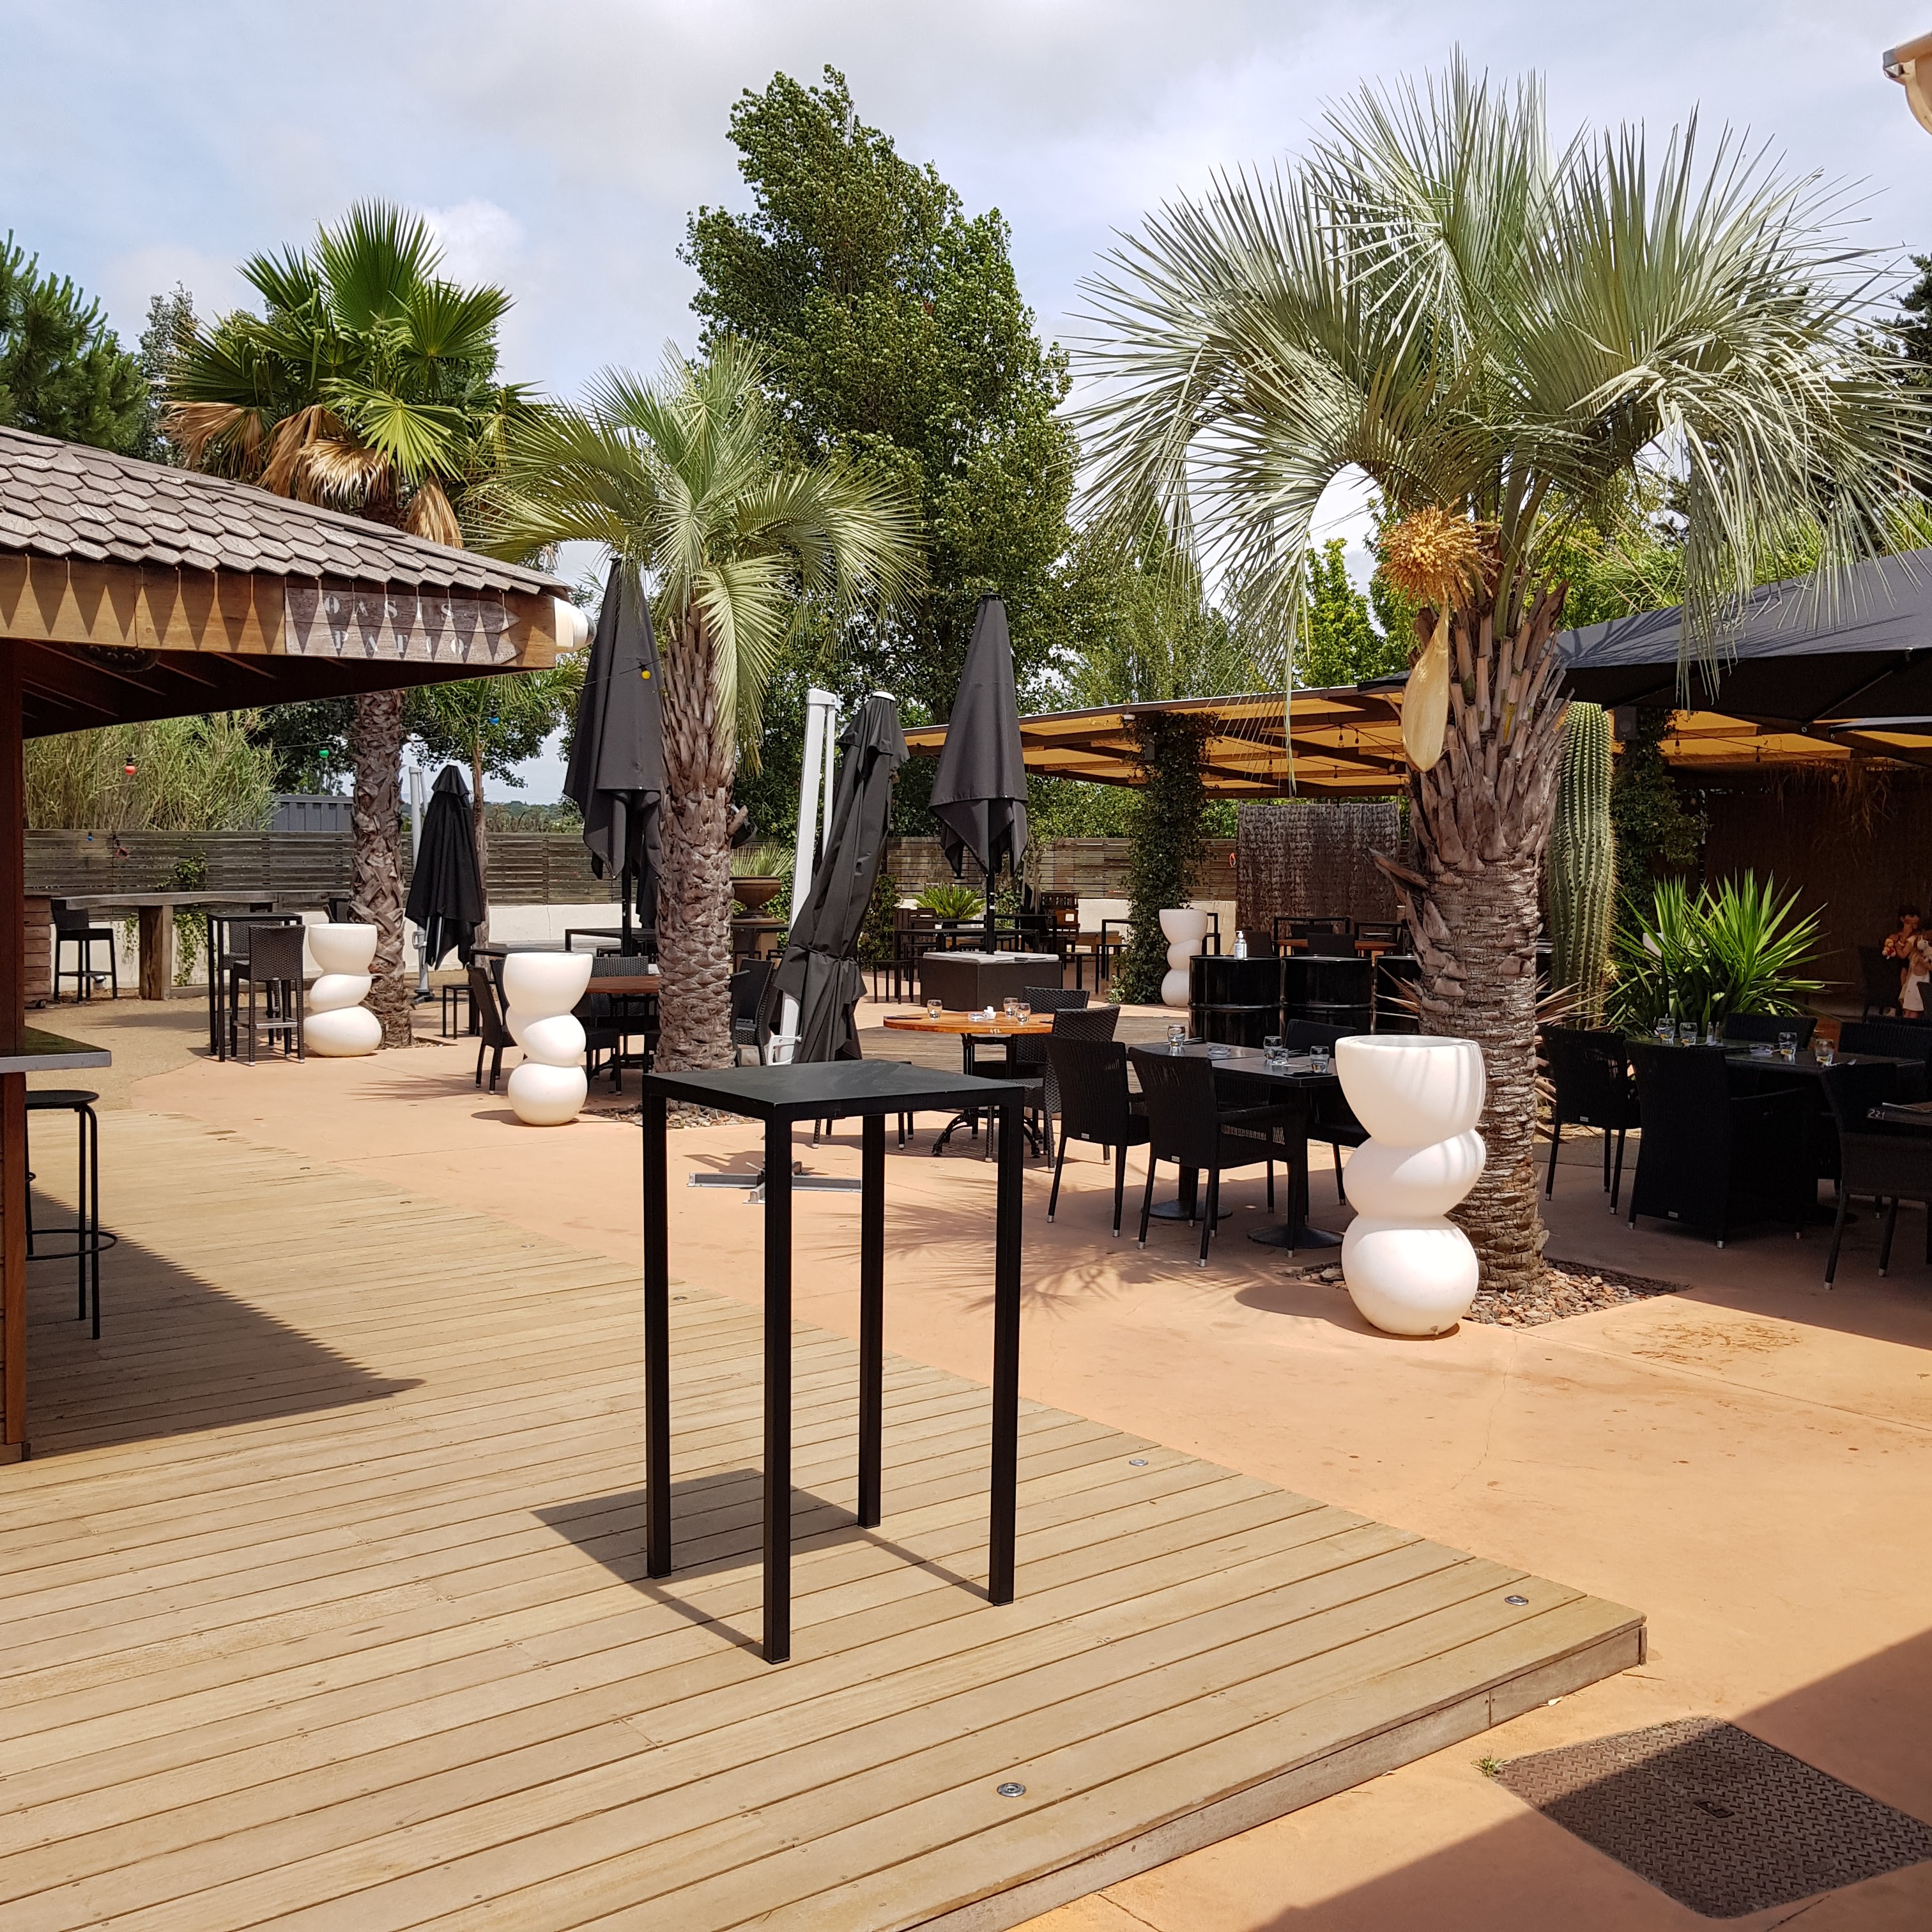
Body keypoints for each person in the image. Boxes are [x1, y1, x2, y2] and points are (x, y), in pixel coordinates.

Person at [1883, 907, 1931, 1016]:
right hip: (1901, 967)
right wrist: (1904, 936)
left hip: (1914, 966)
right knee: (1903, 970)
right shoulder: (1896, 937)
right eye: (1912, 916)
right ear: (1902, 919)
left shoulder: (1920, 937)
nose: (1916, 919)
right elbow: (1897, 955)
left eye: (1917, 916)